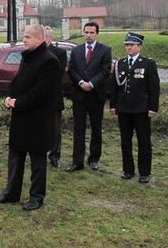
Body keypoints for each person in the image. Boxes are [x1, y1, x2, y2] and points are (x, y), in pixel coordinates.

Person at [0, 24, 60, 211]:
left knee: (37, 160)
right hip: (21, 117)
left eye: (27, 37)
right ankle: (11, 192)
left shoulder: (49, 61)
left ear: (39, 39)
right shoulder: (27, 58)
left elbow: (40, 92)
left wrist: (17, 103)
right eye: (24, 36)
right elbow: (18, 81)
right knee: (15, 156)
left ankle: (37, 197)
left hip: (38, 119)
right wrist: (9, 96)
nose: (24, 40)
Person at [110, 32, 160, 183]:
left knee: (143, 141)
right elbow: (114, 88)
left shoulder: (148, 63)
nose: (128, 47)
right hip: (124, 109)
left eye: (131, 45)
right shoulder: (121, 63)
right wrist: (113, 105)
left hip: (141, 109)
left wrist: (153, 108)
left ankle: (144, 172)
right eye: (127, 45)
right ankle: (128, 170)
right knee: (125, 141)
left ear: (139, 47)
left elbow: (154, 88)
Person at [66, 22, 112, 172]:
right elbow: (71, 69)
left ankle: (93, 159)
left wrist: (91, 83)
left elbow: (105, 71)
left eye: (91, 32)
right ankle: (77, 161)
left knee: (96, 128)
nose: (88, 35)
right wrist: (80, 82)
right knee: (78, 129)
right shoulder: (76, 50)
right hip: (79, 95)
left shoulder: (105, 50)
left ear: (96, 33)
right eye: (86, 32)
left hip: (95, 95)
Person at [44, 27, 67, 168]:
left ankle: (54, 155)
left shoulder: (60, 53)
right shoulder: (32, 53)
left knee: (55, 129)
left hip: (53, 96)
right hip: (36, 98)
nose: (44, 38)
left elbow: (57, 74)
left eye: (46, 36)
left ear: (50, 37)